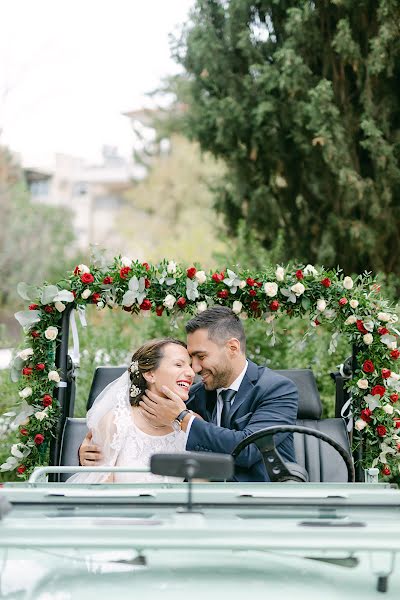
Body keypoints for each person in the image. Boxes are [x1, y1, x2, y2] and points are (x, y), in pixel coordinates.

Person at [79, 307, 298, 482]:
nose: (194, 369)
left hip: (261, 507)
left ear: (232, 348)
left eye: (200, 356)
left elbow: (250, 449)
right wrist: (89, 452)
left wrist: (183, 418)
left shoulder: (277, 390)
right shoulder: (194, 395)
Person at [69, 338, 195, 483]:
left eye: (190, 366)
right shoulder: (116, 422)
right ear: (150, 374)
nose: (191, 373)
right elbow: (103, 484)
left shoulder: (191, 423)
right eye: (179, 364)